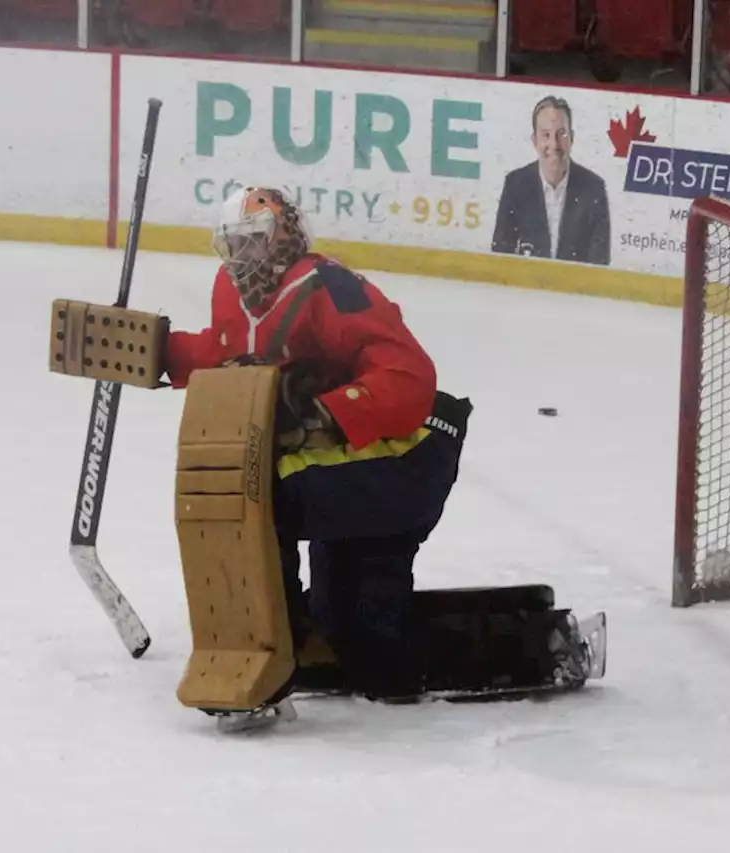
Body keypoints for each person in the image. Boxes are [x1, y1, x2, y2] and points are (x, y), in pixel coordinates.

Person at [161, 185, 472, 703]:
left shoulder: (329, 286)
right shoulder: (233, 293)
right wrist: (159, 352)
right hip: (343, 462)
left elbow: (409, 376)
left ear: (287, 232)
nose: (244, 258)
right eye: (234, 245)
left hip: (404, 458)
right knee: (339, 619)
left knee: (374, 647)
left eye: (255, 240)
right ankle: (290, 635)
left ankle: (484, 648)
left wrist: (326, 410)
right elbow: (225, 350)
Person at [490, 95, 611, 266]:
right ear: (535, 140)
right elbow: (501, 253)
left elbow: (599, 261)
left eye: (561, 134)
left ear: (572, 138)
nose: (554, 144)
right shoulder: (515, 185)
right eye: (546, 135)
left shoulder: (593, 189)